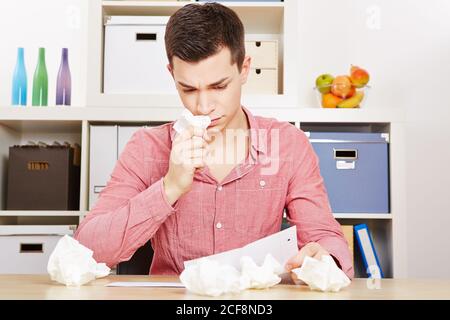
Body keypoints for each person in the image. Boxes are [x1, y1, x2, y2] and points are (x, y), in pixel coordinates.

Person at [75, 2, 354, 280]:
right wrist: (169, 187)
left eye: (219, 86)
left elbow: (325, 236)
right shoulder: (147, 147)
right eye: (188, 89)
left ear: (244, 69)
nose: (204, 105)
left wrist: (324, 259)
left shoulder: (287, 144)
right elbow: (85, 250)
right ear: (172, 74)